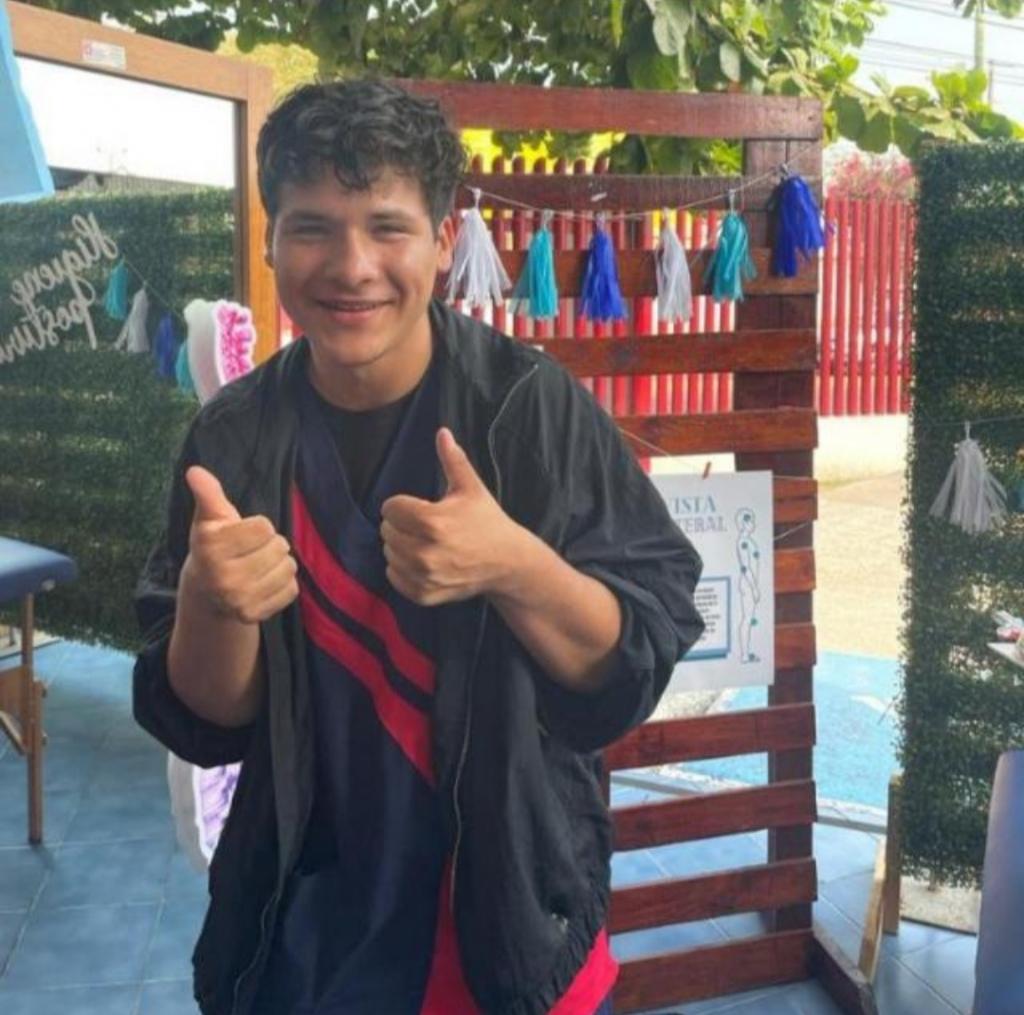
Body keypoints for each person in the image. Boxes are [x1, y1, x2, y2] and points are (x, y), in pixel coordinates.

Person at [133, 78, 704, 1015]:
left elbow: (634, 656)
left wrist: (514, 564)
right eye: (312, 227)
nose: (352, 265)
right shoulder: (232, 438)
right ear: (271, 242)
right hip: (299, 937)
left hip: (507, 929)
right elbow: (210, 718)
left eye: (387, 227)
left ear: (442, 243)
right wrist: (211, 603)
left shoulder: (529, 409)